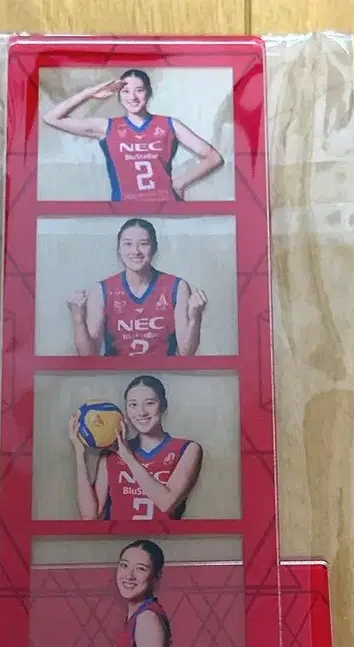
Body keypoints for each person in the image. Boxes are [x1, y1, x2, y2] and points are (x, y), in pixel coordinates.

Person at [42, 68, 223, 202]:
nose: (133, 97)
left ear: (148, 92)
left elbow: (214, 157)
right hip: (124, 211)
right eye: (126, 91)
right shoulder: (107, 127)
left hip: (166, 207)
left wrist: (181, 182)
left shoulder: (169, 124)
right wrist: (90, 93)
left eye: (139, 90)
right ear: (119, 96)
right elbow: (51, 118)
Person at [68, 218, 207, 357]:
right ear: (119, 249)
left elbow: (186, 353)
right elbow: (88, 356)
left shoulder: (177, 287)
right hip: (116, 371)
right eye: (128, 244)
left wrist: (195, 317)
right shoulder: (101, 290)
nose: (135, 251)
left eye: (144, 244)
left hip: (163, 370)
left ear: (154, 248)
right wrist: (77, 318)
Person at [70, 375, 203, 521]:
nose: (141, 412)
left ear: (163, 405)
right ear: (125, 411)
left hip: (162, 535)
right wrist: (79, 453)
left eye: (149, 403)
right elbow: (90, 517)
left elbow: (166, 504)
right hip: (119, 535)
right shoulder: (110, 455)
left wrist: (128, 458)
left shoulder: (188, 449)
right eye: (133, 405)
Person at [105, 540, 171, 647]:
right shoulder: (136, 617)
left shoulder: (147, 619)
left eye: (141, 569)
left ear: (156, 577)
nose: (129, 576)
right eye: (124, 565)